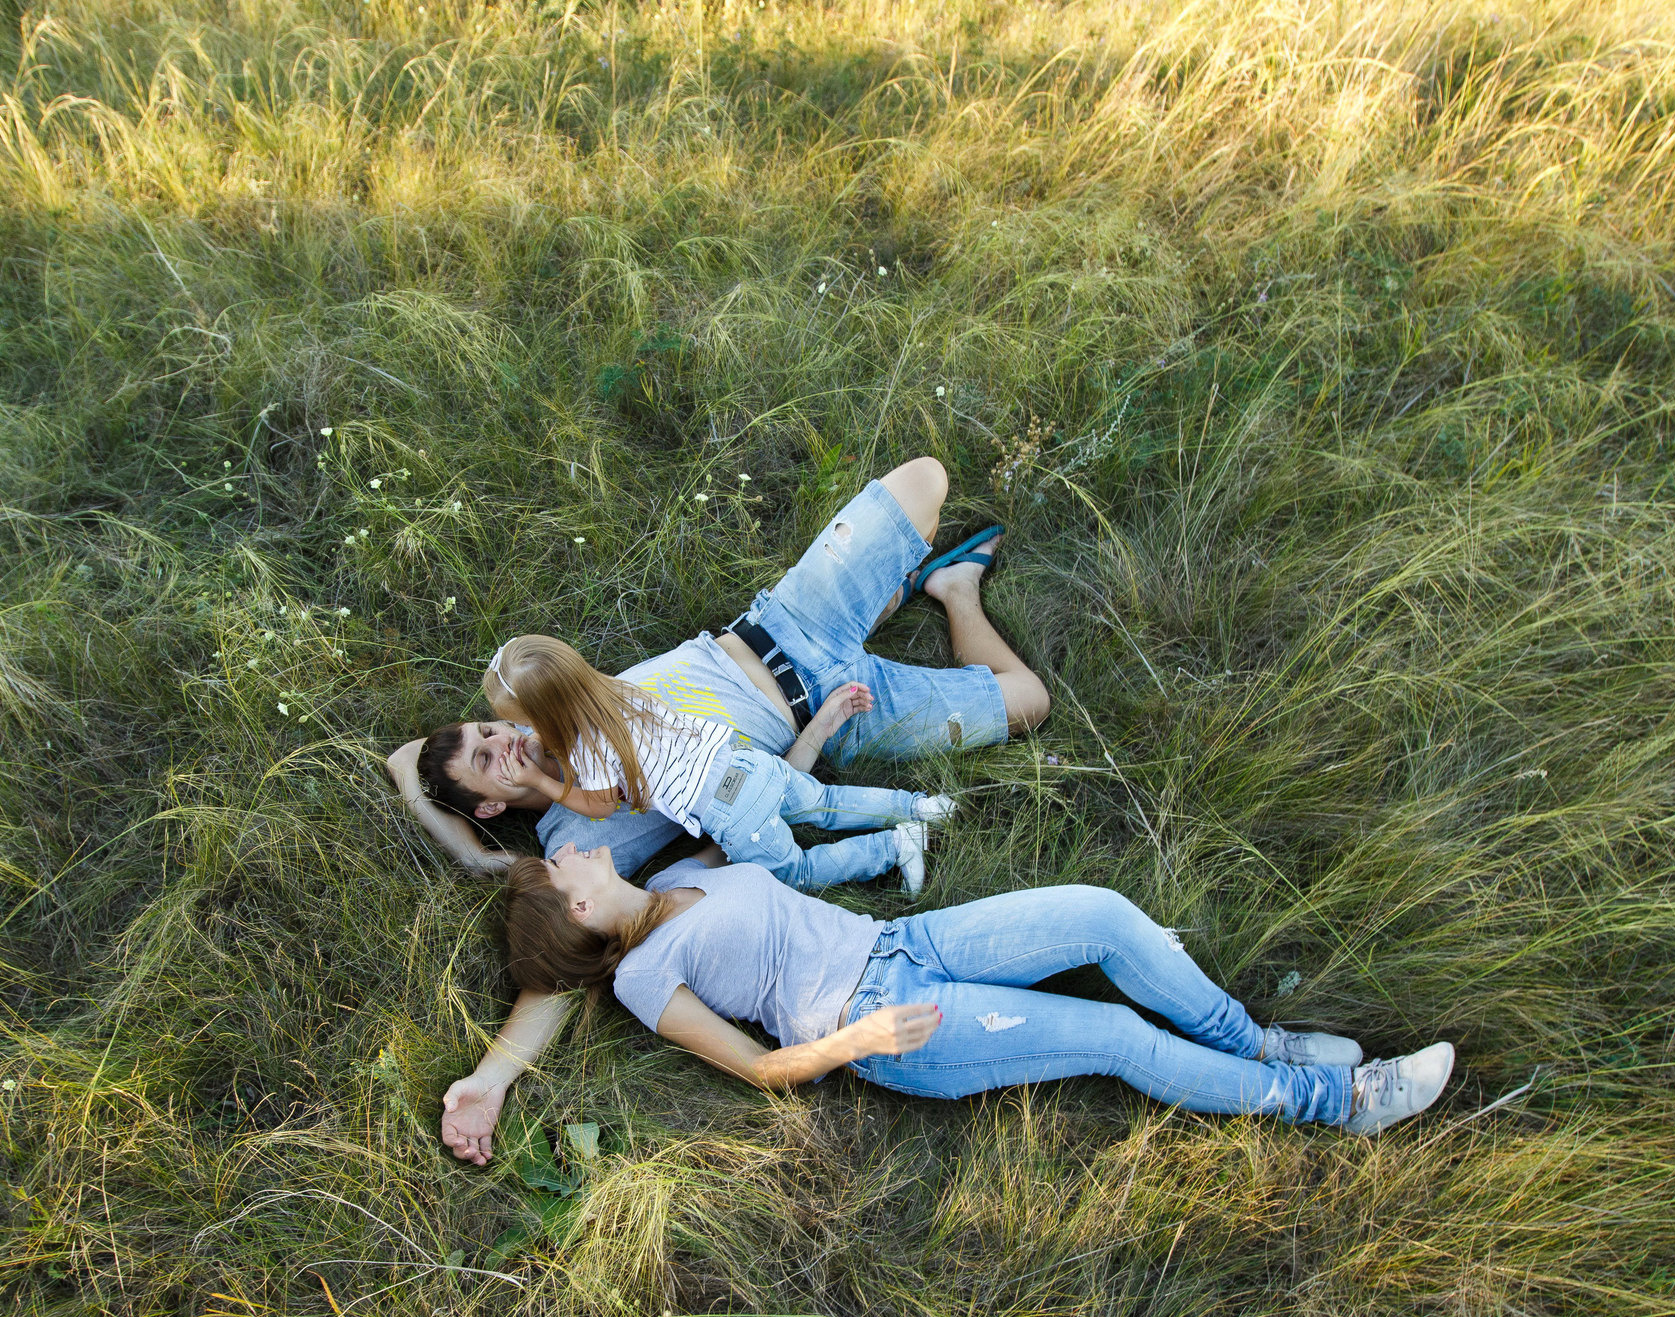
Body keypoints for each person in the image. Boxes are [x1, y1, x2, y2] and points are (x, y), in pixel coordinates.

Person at [390, 455, 1048, 1150]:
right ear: (490, 806)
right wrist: (491, 1078)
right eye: (488, 759)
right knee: (1029, 701)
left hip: (788, 624)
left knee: (927, 480)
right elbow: (557, 968)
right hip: (839, 722)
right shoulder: (576, 841)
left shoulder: (565, 698)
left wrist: (425, 776)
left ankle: (879, 599)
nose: (506, 741)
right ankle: (953, 590)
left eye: (491, 729)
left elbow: (408, 753)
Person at [436, 842, 1457, 1159]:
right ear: (574, 900)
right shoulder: (643, 977)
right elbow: (756, 1069)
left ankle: (1262, 1047)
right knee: (1110, 1034)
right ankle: (1341, 1104)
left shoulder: (674, 881)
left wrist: (825, 727)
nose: (572, 838)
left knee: (1103, 914)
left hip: (905, 942)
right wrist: (860, 1039)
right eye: (560, 856)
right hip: (883, 1026)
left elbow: (767, 848)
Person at [475, 633, 955, 894]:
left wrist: (540, 778)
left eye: (524, 723)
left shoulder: (590, 751)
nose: (523, 734)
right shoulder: (617, 691)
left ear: (547, 716)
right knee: (824, 802)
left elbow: (599, 807)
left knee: (798, 872)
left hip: (728, 808)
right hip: (743, 761)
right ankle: (917, 806)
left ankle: (894, 847)